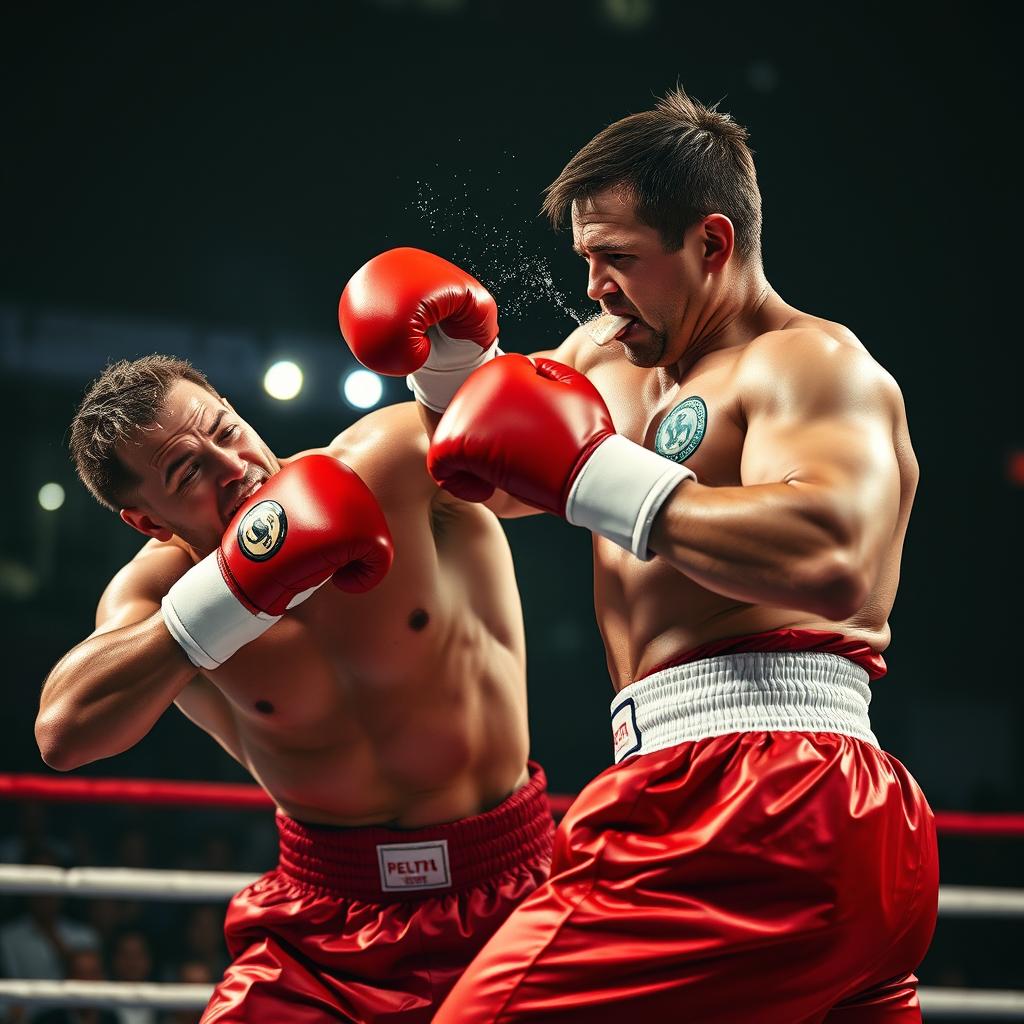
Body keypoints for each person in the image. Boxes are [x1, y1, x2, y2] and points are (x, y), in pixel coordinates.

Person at [417, 87, 937, 1021]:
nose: (593, 288)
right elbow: (490, 478)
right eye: (584, 259)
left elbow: (835, 555)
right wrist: (441, 377)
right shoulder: (609, 358)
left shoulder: (809, 363)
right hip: (733, 794)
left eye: (617, 258)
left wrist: (600, 479)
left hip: (765, 786)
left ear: (711, 243)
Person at [35, 352, 553, 1022]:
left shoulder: (383, 464)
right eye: (188, 472)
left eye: (225, 431)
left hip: (512, 893)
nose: (233, 467)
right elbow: (63, 733)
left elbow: (551, 460)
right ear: (147, 521)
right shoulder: (155, 595)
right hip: (325, 926)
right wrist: (229, 596)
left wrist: (464, 361)